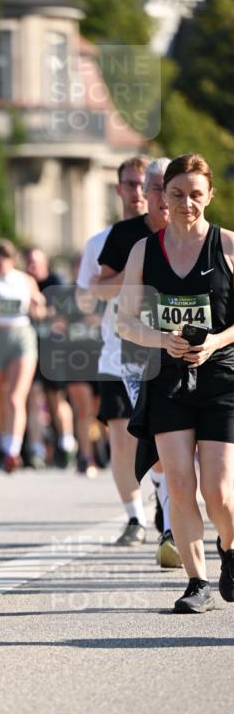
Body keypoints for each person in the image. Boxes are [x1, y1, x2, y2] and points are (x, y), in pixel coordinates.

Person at [118, 153, 234, 614]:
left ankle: (229, 547)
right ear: (162, 196)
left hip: (222, 376)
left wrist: (215, 343)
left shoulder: (226, 245)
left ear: (210, 197)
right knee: (181, 486)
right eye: (177, 195)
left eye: (195, 196)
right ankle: (196, 582)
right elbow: (125, 321)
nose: (186, 204)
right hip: (168, 378)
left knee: (219, 491)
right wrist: (161, 339)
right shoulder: (145, 251)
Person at [92, 158, 180, 565]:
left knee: (179, 440)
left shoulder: (193, 233)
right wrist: (134, 274)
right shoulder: (124, 235)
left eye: (168, 186)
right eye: (155, 187)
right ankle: (167, 524)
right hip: (134, 350)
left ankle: (171, 515)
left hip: (183, 348)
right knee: (154, 437)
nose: (160, 196)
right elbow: (99, 288)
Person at [0, 240, 45, 472]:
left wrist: (39, 305)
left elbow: (39, 310)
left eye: (2, 261)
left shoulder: (24, 280)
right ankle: (3, 443)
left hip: (21, 336)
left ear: (12, 260)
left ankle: (12, 451)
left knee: (16, 397)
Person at [25, 248, 77, 469]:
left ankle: (67, 443)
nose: (32, 266)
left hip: (53, 349)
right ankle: (36, 448)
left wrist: (42, 310)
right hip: (30, 348)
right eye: (29, 262)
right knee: (33, 396)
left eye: (36, 262)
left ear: (45, 263)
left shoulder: (57, 282)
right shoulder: (24, 282)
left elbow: (62, 316)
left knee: (56, 397)